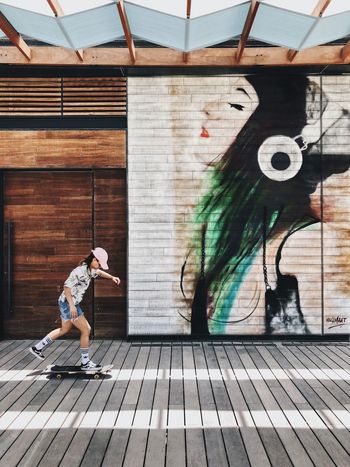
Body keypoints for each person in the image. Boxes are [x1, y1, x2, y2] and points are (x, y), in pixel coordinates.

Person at [29, 247, 120, 370]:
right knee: (86, 329)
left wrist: (112, 277)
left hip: (65, 303)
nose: (100, 266)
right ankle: (85, 363)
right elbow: (67, 288)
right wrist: (72, 306)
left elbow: (99, 273)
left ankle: (37, 348)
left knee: (64, 329)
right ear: (94, 259)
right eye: (99, 263)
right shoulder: (79, 271)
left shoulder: (91, 269)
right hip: (68, 303)